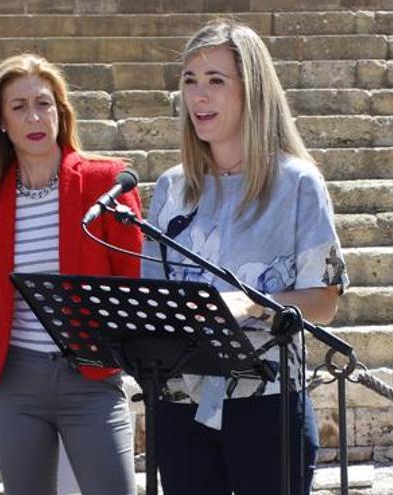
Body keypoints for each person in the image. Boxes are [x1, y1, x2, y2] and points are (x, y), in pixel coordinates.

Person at [140, 19, 349, 495]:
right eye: (190, 81)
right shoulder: (172, 188)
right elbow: (152, 295)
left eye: (216, 80)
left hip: (267, 403)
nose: (199, 96)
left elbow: (323, 300)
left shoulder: (298, 184)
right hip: (180, 399)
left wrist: (252, 303)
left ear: (252, 90)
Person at [0, 53, 140, 495]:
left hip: (92, 377)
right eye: (19, 107)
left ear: (60, 112)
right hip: (15, 383)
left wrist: (106, 349)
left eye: (43, 103)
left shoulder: (106, 183)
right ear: (2, 122)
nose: (34, 117)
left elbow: (131, 276)